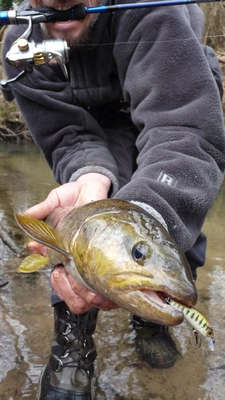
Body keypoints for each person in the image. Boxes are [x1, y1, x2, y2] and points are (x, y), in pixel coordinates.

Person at [2, 0, 225, 398]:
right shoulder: (21, 45)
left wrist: (148, 210)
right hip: (95, 120)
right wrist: (90, 176)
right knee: (75, 220)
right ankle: (73, 339)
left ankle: (153, 314)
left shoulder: (157, 12)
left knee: (170, 202)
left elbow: (184, 134)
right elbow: (67, 138)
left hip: (174, 104)